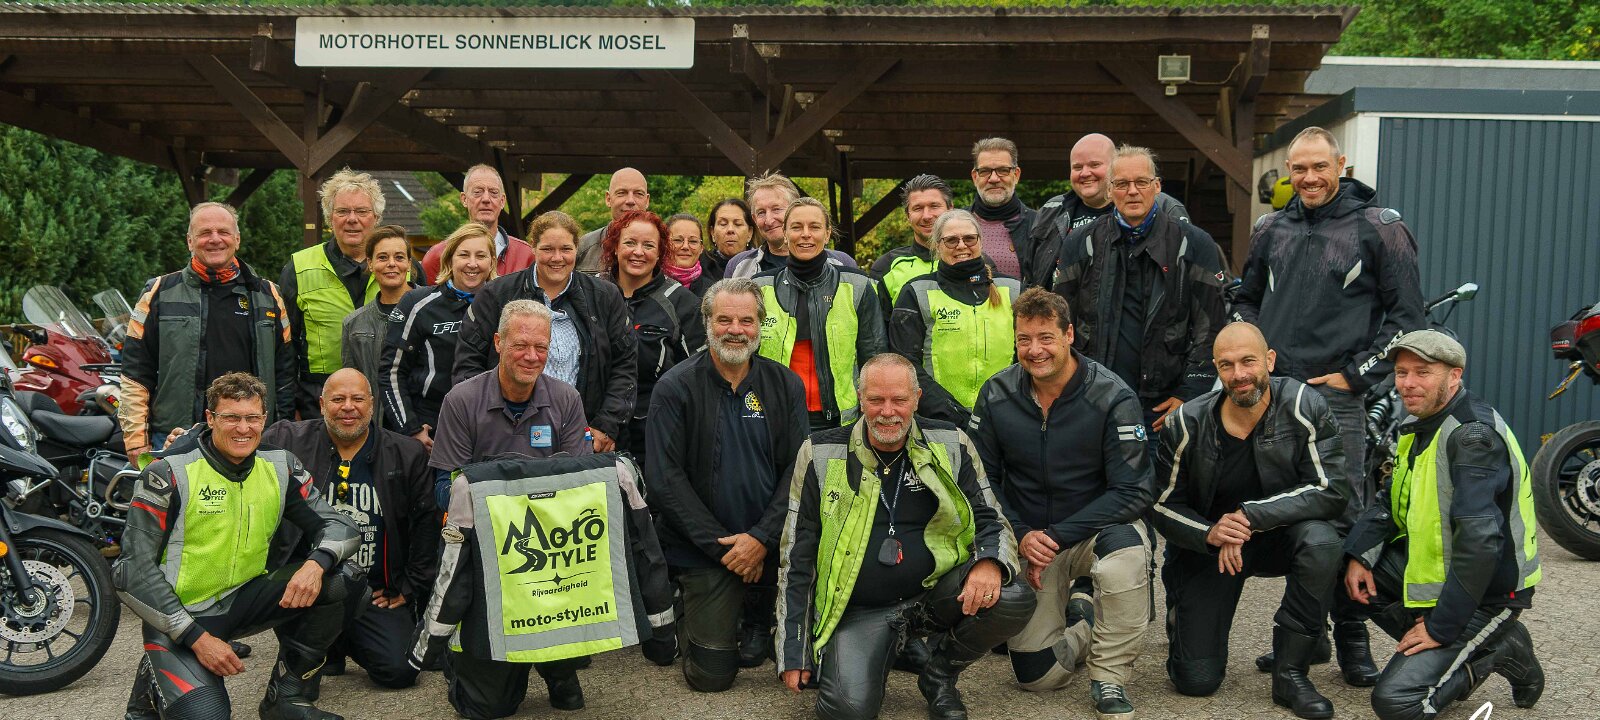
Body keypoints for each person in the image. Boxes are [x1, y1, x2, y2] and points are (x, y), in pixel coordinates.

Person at [1234, 126, 1424, 683]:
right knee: (1288, 515)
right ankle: (1305, 634)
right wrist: (1253, 359)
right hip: (1273, 397)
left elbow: (1407, 319)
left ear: (1341, 165)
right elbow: (1245, 301)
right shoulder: (1271, 227)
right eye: (1299, 169)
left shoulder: (1380, 227)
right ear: (1289, 173)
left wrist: (1355, 376)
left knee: (1343, 518)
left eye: (1320, 166)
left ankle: (1352, 640)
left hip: (1336, 400)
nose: (1310, 178)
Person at [777, 353, 1035, 720]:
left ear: (916, 398)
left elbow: (990, 517)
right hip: (859, 608)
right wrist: (794, 649)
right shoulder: (819, 452)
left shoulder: (952, 442)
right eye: (876, 400)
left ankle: (939, 676)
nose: (887, 412)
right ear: (860, 398)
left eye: (899, 400)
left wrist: (989, 563)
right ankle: (886, 646)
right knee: (846, 711)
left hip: (933, 594)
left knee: (1010, 596)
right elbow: (796, 553)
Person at [115, 372, 362, 720]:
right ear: (210, 418)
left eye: (252, 418)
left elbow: (341, 526)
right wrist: (197, 638)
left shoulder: (280, 466)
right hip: (183, 616)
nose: (243, 428)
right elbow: (130, 571)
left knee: (344, 577)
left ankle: (286, 698)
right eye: (231, 417)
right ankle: (149, 687)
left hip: (244, 599)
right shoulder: (167, 473)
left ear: (264, 419)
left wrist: (316, 563)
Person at [966, 288, 1155, 719]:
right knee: (1037, 676)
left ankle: (1109, 676)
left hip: (1094, 531)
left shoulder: (1112, 395)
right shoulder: (996, 393)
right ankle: (1084, 613)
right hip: (1032, 537)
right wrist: (1021, 533)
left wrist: (1054, 536)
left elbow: (1134, 491)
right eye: (1024, 339)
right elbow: (980, 479)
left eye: (1046, 337)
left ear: (1069, 335)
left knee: (1125, 559)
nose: (1035, 350)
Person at [1344, 330, 1544, 720]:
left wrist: (1440, 628)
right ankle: (1472, 644)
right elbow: (1390, 501)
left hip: (1489, 592)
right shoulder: (1421, 423)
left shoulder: (1472, 437)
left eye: (1423, 372)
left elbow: (1480, 544)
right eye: (1401, 372)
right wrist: (1359, 555)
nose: (1408, 383)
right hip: (1447, 577)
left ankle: (1493, 648)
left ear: (1454, 376)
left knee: (1398, 703)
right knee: (1342, 564)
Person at [1153, 322, 1348, 719]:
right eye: (1226, 365)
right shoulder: (1186, 422)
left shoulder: (1304, 405)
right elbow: (1160, 505)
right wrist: (1211, 532)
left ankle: (1291, 672)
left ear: (1269, 360)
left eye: (1248, 361)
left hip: (1279, 536)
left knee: (1322, 542)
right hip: (1213, 549)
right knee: (1196, 681)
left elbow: (1331, 489)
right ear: (1216, 369)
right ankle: (1184, 619)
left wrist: (1250, 516)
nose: (1239, 374)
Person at [426, 299, 594, 716]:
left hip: (550, 549)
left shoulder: (567, 399)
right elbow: (445, 490)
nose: (532, 356)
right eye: (521, 345)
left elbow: (581, 486)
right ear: (499, 343)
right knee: (487, 708)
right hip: (482, 549)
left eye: (541, 346)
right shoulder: (462, 400)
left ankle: (558, 666)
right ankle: (471, 662)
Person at [646, 278, 809, 691]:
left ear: (760, 325)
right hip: (705, 548)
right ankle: (692, 607)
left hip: (770, 542)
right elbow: (665, 481)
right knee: (711, 677)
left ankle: (756, 614)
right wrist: (727, 549)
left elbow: (798, 469)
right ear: (707, 323)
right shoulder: (675, 387)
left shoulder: (785, 384)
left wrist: (761, 539)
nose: (736, 330)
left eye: (746, 320)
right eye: (724, 320)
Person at [261, 368, 436, 691]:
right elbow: (237, 437)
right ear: (322, 404)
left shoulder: (405, 453)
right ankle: (327, 643)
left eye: (357, 399)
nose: (348, 407)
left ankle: (340, 639)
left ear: (372, 404)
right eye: (338, 399)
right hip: (307, 587)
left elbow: (427, 524)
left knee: (400, 671)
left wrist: (410, 585)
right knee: (305, 685)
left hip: (373, 590)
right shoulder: (287, 440)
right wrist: (190, 439)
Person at [1050, 145, 1228, 433]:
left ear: (1157, 186)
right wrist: (1070, 386)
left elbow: (1212, 327)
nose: (1132, 191)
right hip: (1093, 399)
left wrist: (1190, 393)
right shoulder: (1081, 243)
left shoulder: (1194, 243)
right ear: (1110, 190)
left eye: (1141, 182)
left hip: (1163, 407)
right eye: (1121, 184)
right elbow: (1060, 321)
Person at [121, 202, 294, 463]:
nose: (215, 239)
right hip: (176, 437)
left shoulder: (268, 295)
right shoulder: (159, 293)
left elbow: (285, 374)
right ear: (190, 241)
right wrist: (136, 441)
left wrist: (283, 431)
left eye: (223, 232)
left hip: (250, 435)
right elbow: (135, 372)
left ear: (237, 239)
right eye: (204, 233)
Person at [453, 210, 637, 454]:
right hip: (508, 436)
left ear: (577, 248)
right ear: (533, 247)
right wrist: (492, 425)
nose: (557, 258)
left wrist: (606, 425)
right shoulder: (496, 294)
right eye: (548, 249)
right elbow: (468, 365)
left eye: (566, 249)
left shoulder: (605, 296)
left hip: (583, 435)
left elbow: (625, 365)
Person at [754, 197, 886, 431]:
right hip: (774, 421)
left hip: (841, 423)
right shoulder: (759, 288)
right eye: (796, 227)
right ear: (785, 234)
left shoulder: (857, 285)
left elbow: (874, 359)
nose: (805, 234)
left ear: (827, 234)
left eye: (814, 227)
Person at [890, 209, 1023, 425]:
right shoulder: (917, 291)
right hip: (940, 419)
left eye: (969, 238)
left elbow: (1026, 353)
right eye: (951, 240)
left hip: (1005, 415)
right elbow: (905, 363)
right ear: (937, 245)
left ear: (980, 241)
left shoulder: (1013, 289)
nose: (961, 246)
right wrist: (949, 412)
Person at [598, 209, 706, 462]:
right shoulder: (593, 294)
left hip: (657, 433)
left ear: (660, 253)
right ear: (615, 247)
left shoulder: (681, 302)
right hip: (596, 431)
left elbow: (699, 373)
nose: (638, 252)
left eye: (648, 245)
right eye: (630, 243)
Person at [281, 169, 390, 415]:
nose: (352, 219)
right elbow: (286, 348)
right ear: (330, 218)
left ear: (376, 217)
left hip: (387, 397)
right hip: (319, 400)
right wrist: (288, 410)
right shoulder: (298, 268)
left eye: (361, 211)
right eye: (342, 211)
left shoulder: (405, 268)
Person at [380, 222, 495, 452]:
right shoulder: (417, 303)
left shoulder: (504, 305)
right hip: (431, 426)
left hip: (489, 426)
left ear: (492, 261)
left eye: (481, 255)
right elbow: (391, 372)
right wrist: (410, 428)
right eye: (464, 255)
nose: (472, 263)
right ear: (450, 259)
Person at [1028, 134, 1188, 288]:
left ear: (1114, 168)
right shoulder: (1051, 210)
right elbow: (1030, 272)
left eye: (1094, 165)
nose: (1085, 173)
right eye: (1077, 167)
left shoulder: (1165, 208)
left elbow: (1186, 275)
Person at [341, 225, 417, 430]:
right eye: (382, 257)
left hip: (422, 427)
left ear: (409, 264)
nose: (391, 264)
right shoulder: (354, 323)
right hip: (375, 429)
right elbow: (350, 385)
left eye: (399, 257)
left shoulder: (431, 309)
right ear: (370, 263)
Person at [725, 172, 856, 278]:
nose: (769, 220)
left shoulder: (842, 263)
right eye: (761, 213)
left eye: (776, 209)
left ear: (795, 210)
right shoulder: (739, 267)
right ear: (754, 219)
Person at [421, 164, 533, 284]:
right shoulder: (437, 256)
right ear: (464, 199)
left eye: (493, 192)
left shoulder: (526, 255)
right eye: (478, 192)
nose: (486, 199)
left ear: (502, 201)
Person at [967, 137, 1038, 285]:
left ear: (1016, 175)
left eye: (1003, 170)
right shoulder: (954, 225)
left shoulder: (1039, 225)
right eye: (985, 171)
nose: (993, 179)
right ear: (975, 177)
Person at [576, 167, 651, 275]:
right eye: (622, 193)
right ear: (608, 199)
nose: (630, 200)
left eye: (638, 193)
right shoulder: (584, 247)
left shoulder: (662, 247)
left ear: (647, 201)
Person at [663, 212, 718, 297]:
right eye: (677, 240)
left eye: (693, 241)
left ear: (701, 248)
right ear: (665, 244)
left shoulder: (713, 292)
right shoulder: (648, 282)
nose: (685, 246)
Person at [703, 198, 755, 279]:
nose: (730, 230)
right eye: (723, 224)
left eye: (738, 224)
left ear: (750, 232)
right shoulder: (701, 268)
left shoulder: (761, 264)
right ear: (712, 232)